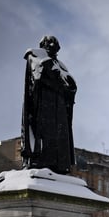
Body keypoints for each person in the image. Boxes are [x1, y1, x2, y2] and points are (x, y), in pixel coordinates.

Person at [21, 35, 77, 174]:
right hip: (44, 102)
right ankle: (41, 161)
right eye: (50, 44)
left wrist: (67, 85)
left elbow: (70, 84)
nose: (54, 47)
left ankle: (60, 165)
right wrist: (58, 77)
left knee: (60, 134)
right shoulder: (34, 55)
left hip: (60, 105)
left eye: (56, 45)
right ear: (44, 45)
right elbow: (40, 74)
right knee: (45, 132)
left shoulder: (61, 64)